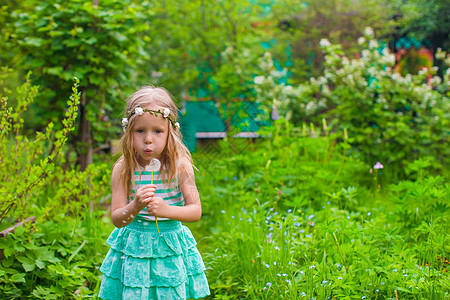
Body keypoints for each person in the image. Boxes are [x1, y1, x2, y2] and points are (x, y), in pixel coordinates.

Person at [98, 86, 210, 299]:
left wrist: (167, 210)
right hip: (135, 247)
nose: (148, 139)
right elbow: (117, 218)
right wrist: (135, 206)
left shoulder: (181, 166)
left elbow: (195, 211)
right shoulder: (123, 169)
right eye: (140, 131)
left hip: (169, 245)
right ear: (128, 131)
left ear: (171, 132)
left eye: (157, 131)